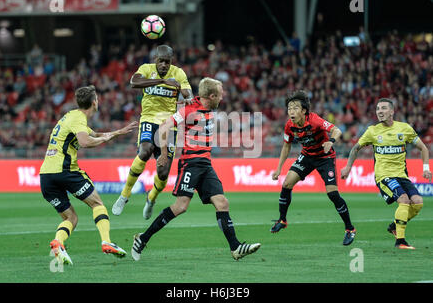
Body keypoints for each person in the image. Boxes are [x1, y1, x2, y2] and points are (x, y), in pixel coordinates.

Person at [130, 77, 261, 261]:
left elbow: (194, 97)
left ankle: (236, 248)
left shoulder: (203, 106)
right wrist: (164, 154)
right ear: (212, 96)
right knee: (181, 207)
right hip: (190, 163)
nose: (222, 99)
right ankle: (142, 239)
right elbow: (163, 128)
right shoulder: (187, 110)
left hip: (206, 164)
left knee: (222, 203)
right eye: (220, 96)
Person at [40, 85, 137, 265]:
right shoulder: (78, 118)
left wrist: (117, 132)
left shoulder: (72, 116)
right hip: (65, 170)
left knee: (71, 218)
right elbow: (85, 141)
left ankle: (58, 243)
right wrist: (103, 139)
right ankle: (106, 241)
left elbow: (96, 135)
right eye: (97, 99)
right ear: (94, 102)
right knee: (97, 203)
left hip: (46, 175)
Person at [112, 45, 193, 219]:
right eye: (161, 61)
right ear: (155, 59)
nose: (164, 65)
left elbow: (188, 94)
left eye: (167, 62)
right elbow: (134, 82)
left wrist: (182, 90)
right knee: (145, 150)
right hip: (148, 119)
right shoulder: (146, 69)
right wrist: (162, 82)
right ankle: (125, 195)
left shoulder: (178, 73)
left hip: (169, 124)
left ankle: (151, 198)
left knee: (163, 172)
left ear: (171, 62)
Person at [341, 98, 431, 249]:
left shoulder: (404, 128)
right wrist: (348, 167)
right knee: (403, 200)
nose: (380, 112)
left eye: (383, 108)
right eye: (377, 109)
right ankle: (400, 241)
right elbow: (356, 148)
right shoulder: (372, 131)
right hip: (384, 176)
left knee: (417, 202)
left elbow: (424, 148)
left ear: (392, 111)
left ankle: (395, 226)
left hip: (402, 175)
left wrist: (426, 168)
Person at [271, 90, 356, 246]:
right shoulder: (289, 125)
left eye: (295, 108)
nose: (291, 111)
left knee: (332, 194)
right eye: (289, 108)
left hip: (325, 157)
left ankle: (350, 229)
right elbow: (286, 146)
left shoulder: (315, 120)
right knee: (286, 184)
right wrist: (278, 169)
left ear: (304, 111)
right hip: (307, 156)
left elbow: (337, 130)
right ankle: (282, 220)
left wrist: (331, 141)